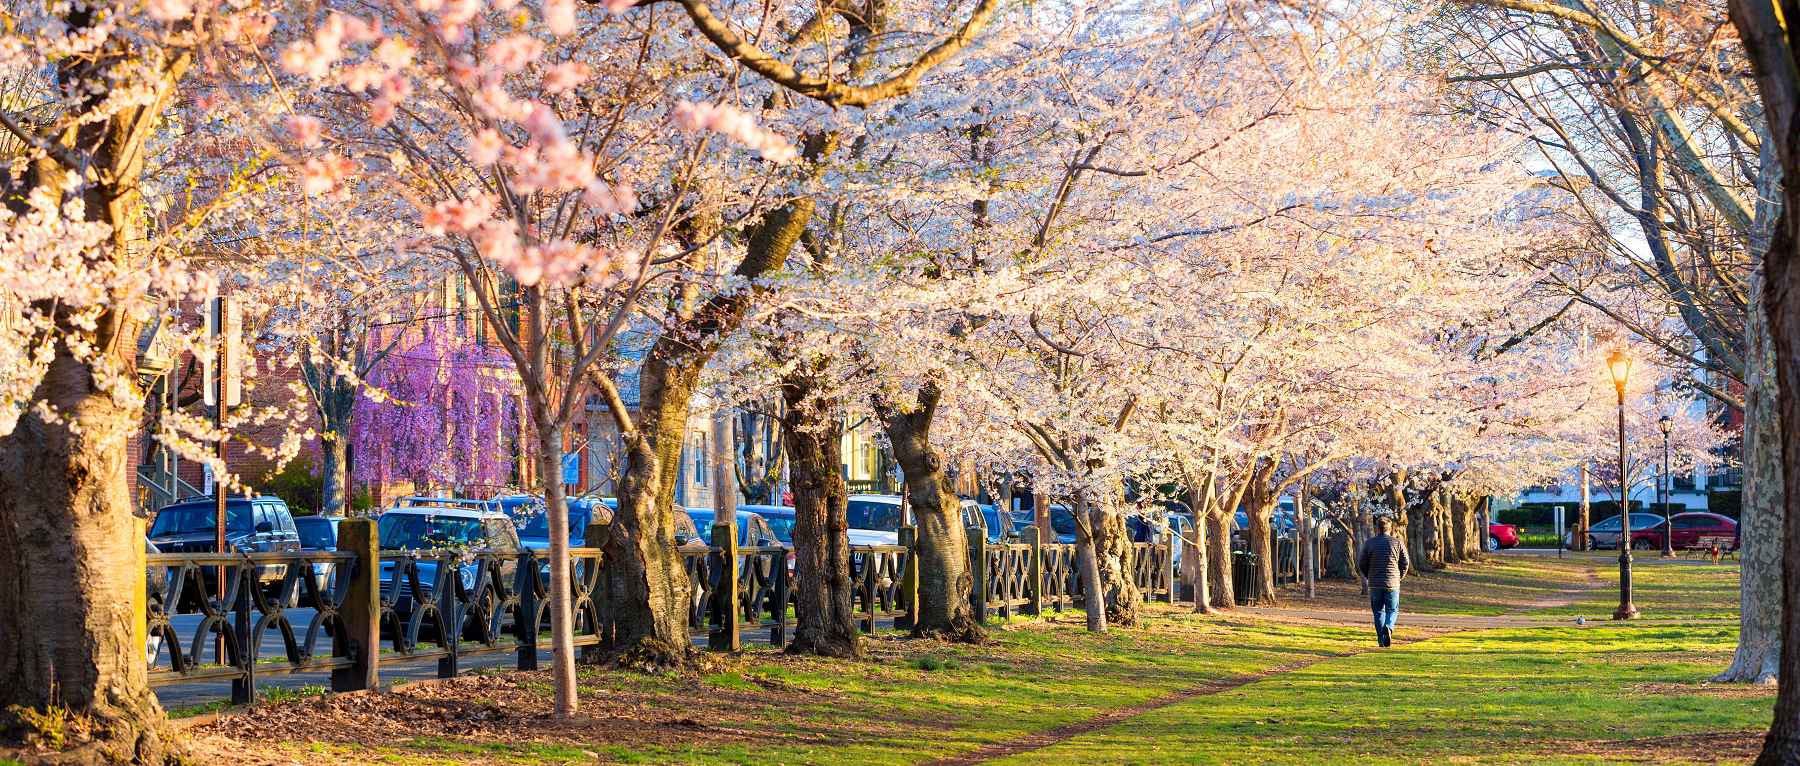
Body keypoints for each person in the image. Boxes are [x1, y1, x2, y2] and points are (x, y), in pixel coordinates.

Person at [1356, 515, 1409, 647]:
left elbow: (1362, 563)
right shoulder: (1397, 543)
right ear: (1390, 528)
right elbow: (1405, 562)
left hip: (1375, 583)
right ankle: (1389, 627)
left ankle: (1381, 639)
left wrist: (1369, 575)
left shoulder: (1369, 543)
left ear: (1377, 528)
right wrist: (1399, 576)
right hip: (1392, 583)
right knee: (1392, 609)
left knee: (1378, 611)